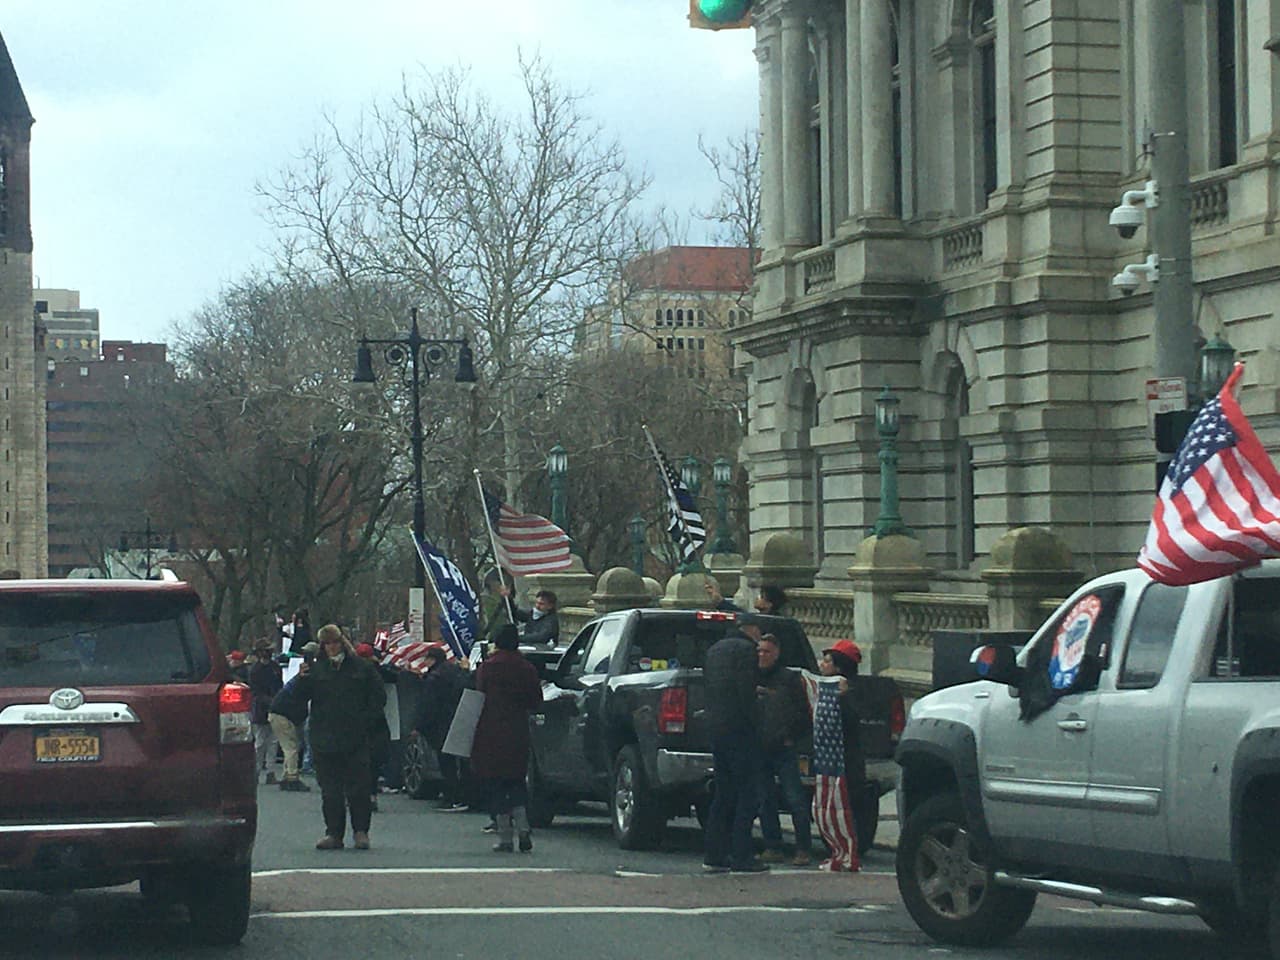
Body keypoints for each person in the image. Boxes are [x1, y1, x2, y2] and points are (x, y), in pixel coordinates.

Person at [299, 624, 386, 851]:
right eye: (327, 644)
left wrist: (364, 722)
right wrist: (301, 679)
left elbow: (378, 698)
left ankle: (361, 831)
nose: (331, 647)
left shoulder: (362, 668)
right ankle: (333, 833)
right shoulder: (316, 670)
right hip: (324, 737)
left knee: (359, 789)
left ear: (342, 642)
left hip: (355, 738)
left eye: (335, 642)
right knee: (330, 791)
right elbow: (299, 699)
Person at [702, 615, 768, 874]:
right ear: (751, 629)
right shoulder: (745, 650)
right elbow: (745, 692)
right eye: (759, 631)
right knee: (747, 794)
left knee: (724, 793)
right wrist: (757, 722)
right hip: (740, 729)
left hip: (716, 727)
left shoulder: (715, 649)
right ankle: (742, 854)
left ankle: (714, 853)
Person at [470, 624, 542, 853]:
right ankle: (524, 827)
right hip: (518, 730)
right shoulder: (527, 668)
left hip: (490, 731)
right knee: (516, 781)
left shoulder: (488, 668)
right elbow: (535, 700)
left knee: (497, 784)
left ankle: (505, 837)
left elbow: (478, 696)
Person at [755, 632, 814, 865]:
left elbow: (803, 713)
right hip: (759, 748)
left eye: (767, 651)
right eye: (759, 651)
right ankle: (773, 846)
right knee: (765, 799)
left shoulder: (789, 679)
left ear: (776, 654)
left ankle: (803, 849)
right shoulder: (751, 676)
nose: (762, 655)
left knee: (795, 799)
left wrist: (791, 737)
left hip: (784, 748)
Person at [814, 638, 866, 872]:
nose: (822, 665)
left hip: (847, 760)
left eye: (827, 661)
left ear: (840, 667)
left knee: (848, 807)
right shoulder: (825, 688)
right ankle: (837, 851)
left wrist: (843, 698)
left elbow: (853, 721)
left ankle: (850, 852)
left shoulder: (853, 692)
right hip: (829, 760)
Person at [416, 644, 469, 811]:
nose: (425, 661)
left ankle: (450, 797)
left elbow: (428, 705)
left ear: (433, 660)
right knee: (461, 762)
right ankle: (463, 796)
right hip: (459, 720)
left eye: (427, 658)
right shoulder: (456, 673)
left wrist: (421, 725)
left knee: (446, 764)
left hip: (440, 723)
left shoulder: (434, 678)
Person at [268, 643, 315, 792]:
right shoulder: (306, 678)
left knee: (289, 746)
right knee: (291, 747)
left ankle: (286, 775)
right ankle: (292, 778)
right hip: (282, 713)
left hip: (278, 712)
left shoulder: (300, 676)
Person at [355, 642, 392, 812]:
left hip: (357, 722)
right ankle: (370, 795)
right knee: (372, 762)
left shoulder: (350, 672)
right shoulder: (378, 673)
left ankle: (359, 795)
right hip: (374, 722)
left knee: (358, 762)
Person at [248, 638, 284, 785]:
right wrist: (269, 700)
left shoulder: (275, 667)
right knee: (260, 742)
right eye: (266, 650)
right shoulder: (255, 670)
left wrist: (279, 700)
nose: (269, 652)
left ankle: (270, 772)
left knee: (274, 741)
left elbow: (280, 685)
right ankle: (256, 771)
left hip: (275, 707)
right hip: (261, 708)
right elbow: (255, 692)